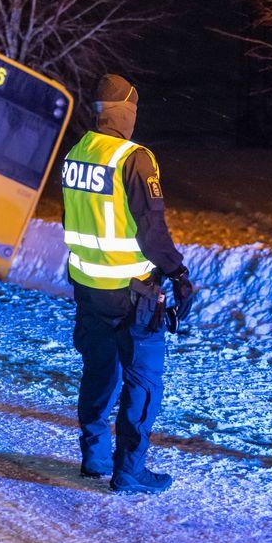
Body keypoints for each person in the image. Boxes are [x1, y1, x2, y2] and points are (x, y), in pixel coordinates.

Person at [61, 74, 194, 494]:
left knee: (99, 371)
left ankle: (95, 456)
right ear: (126, 113)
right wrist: (178, 273)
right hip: (132, 292)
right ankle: (130, 470)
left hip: (87, 286)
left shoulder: (76, 154)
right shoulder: (134, 158)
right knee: (142, 380)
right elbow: (151, 232)